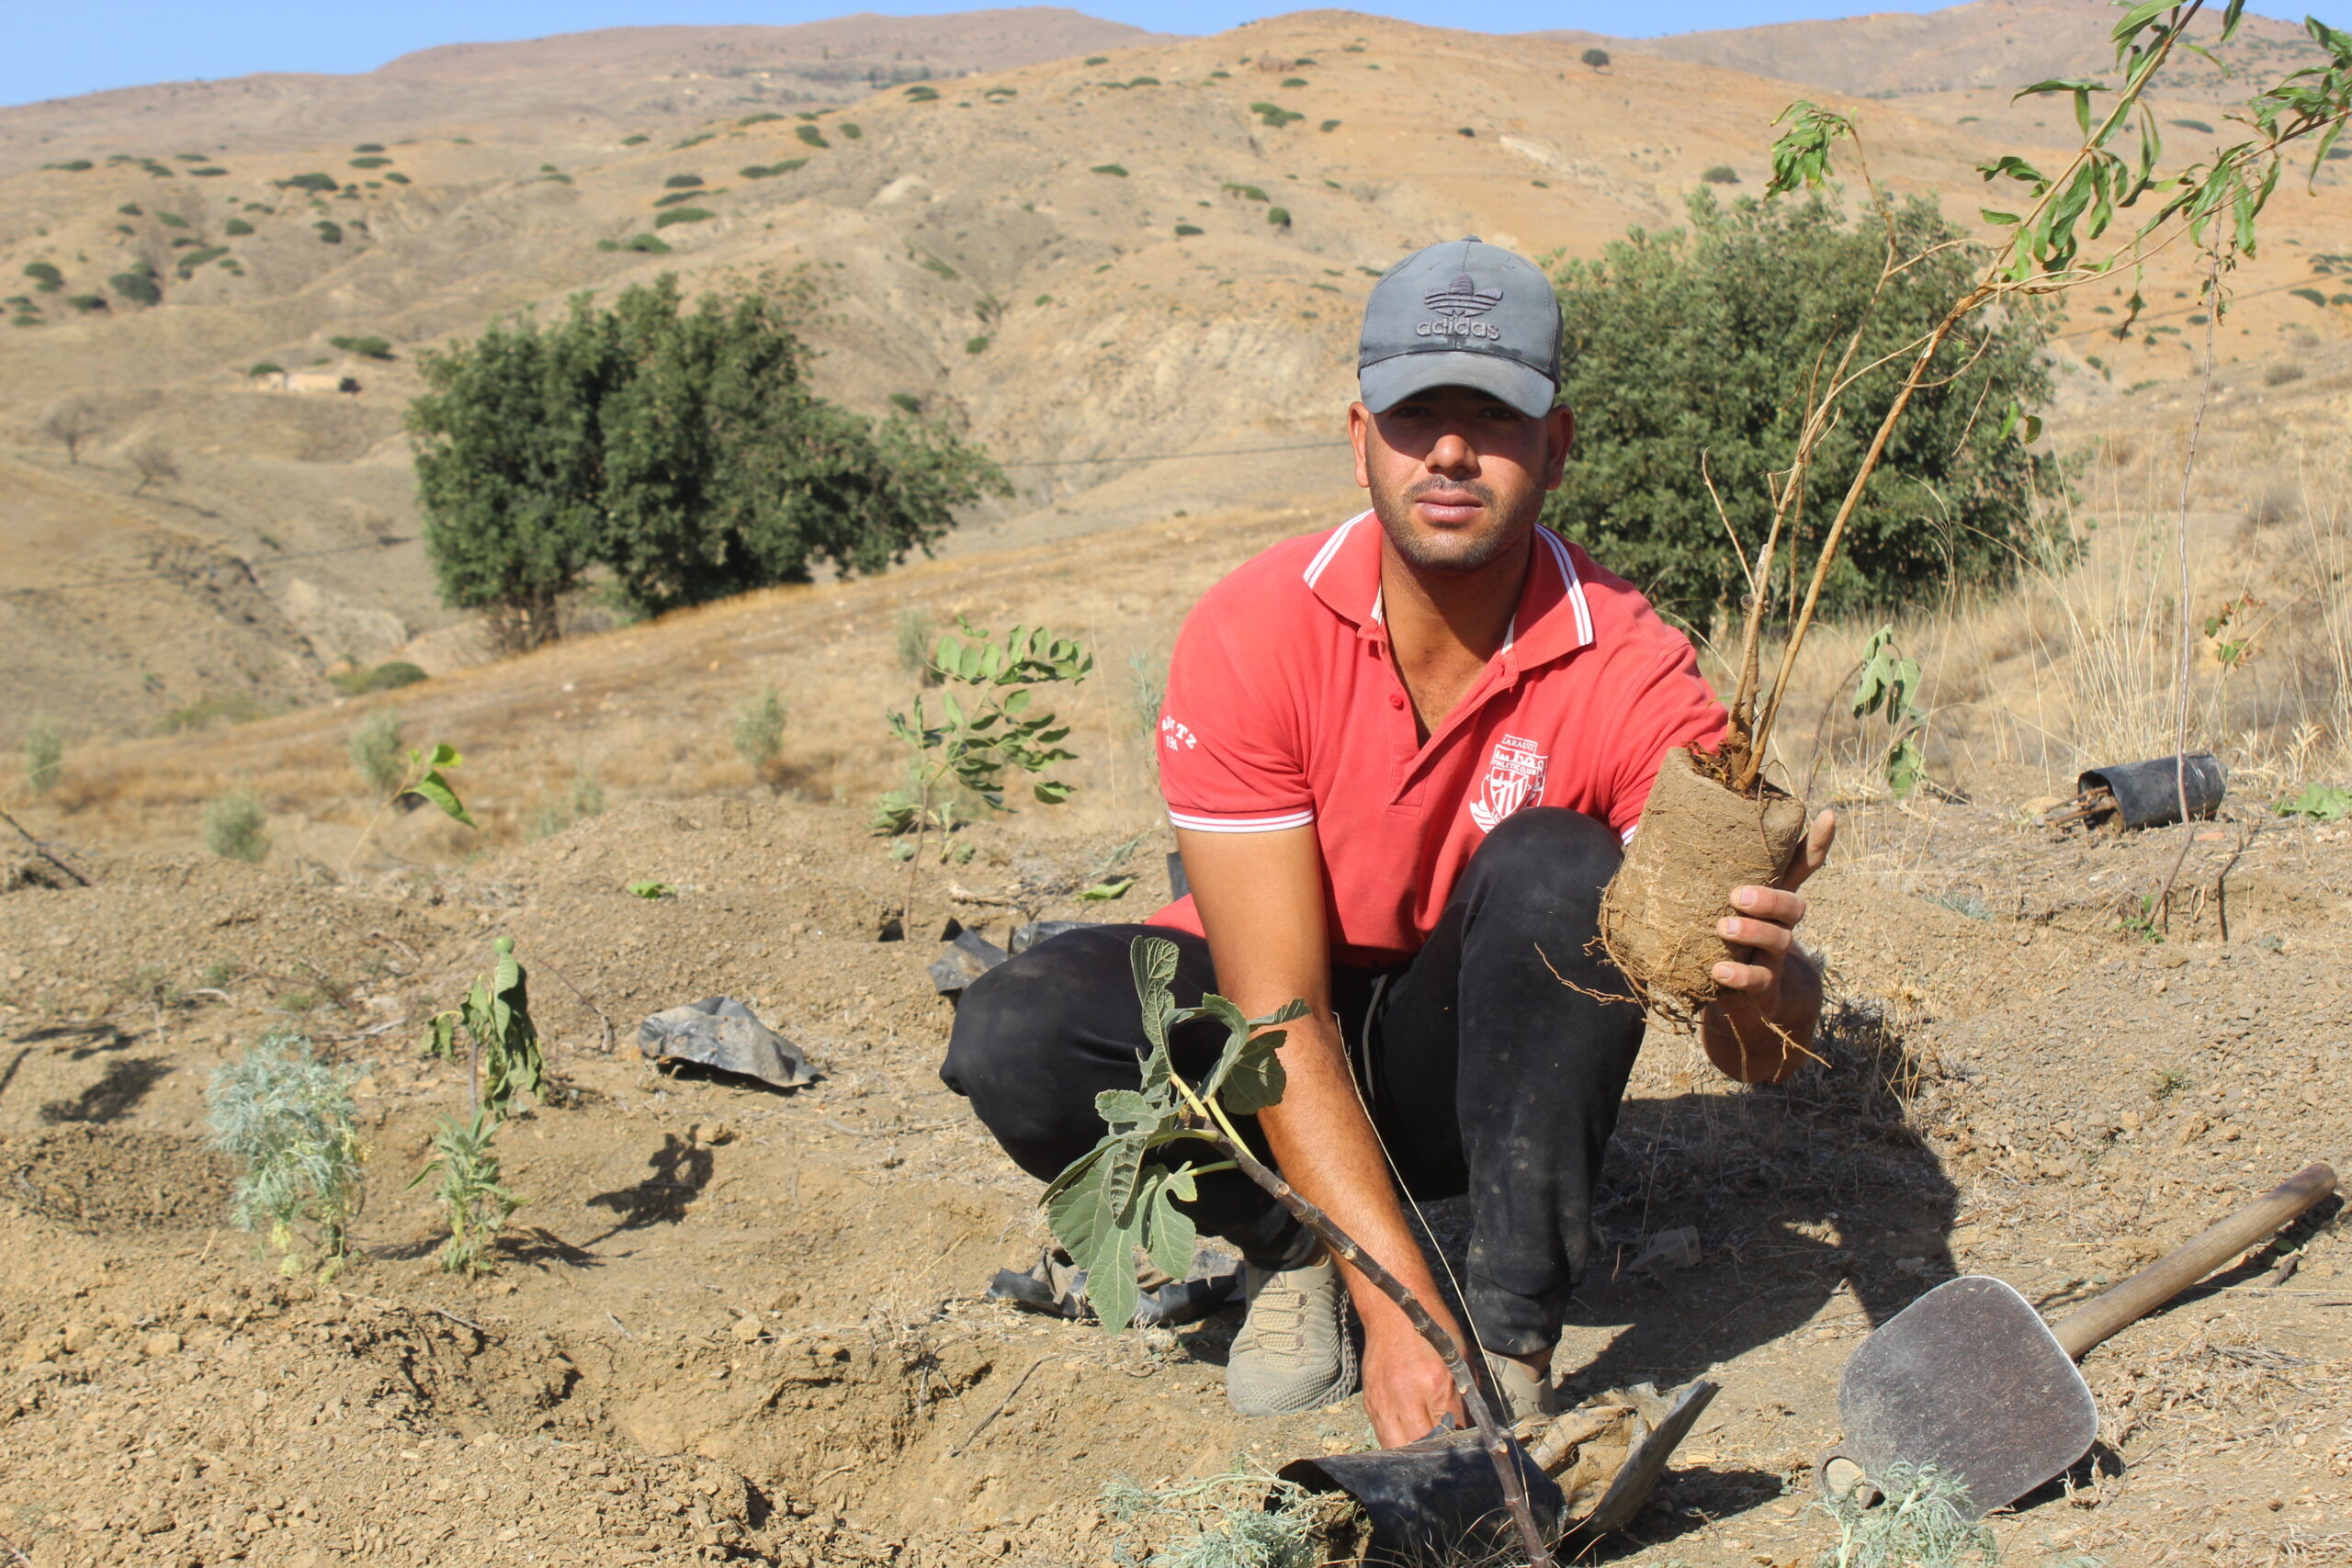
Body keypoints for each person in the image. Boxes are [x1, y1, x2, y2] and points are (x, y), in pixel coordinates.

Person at [942, 237, 1835, 1447]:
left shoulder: (1634, 669)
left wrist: (1761, 980)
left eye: (1494, 416)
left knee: (1564, 867)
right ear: (1360, 435)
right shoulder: (1252, 632)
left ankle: (1510, 1340)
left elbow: (1759, 1056)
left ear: (1558, 446)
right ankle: (1289, 1246)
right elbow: (1275, 1014)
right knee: (1020, 1031)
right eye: (1419, 416)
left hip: (1459, 1075)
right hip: (1275, 1051)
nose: (1452, 451)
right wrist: (1395, 1301)